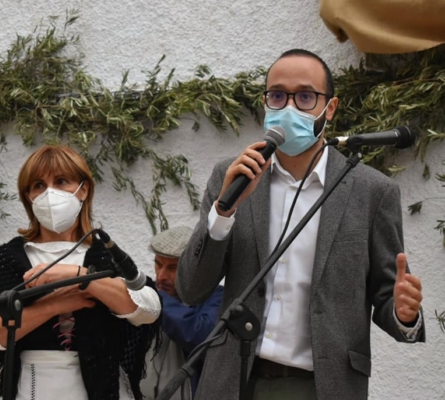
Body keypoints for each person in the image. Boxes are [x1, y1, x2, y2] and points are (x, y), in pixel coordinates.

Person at [176, 49, 425, 400]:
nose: (288, 107)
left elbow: (388, 295)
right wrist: (224, 212)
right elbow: (190, 290)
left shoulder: (371, 191)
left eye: (305, 96)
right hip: (234, 380)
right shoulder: (232, 175)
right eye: (277, 95)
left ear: (330, 108)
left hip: (323, 385)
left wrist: (403, 312)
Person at [0, 145, 162, 400]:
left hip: (104, 386)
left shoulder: (105, 255)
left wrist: (77, 275)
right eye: (39, 185)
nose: (50, 193)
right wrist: (53, 305)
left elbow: (148, 311)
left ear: (83, 189)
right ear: (28, 196)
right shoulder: (7, 259)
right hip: (27, 387)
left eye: (61, 181)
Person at [140, 226, 223, 400]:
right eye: (158, 264)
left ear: (196, 268)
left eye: (172, 268)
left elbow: (200, 335)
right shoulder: (145, 295)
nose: (161, 276)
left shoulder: (218, 297)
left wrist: (154, 298)